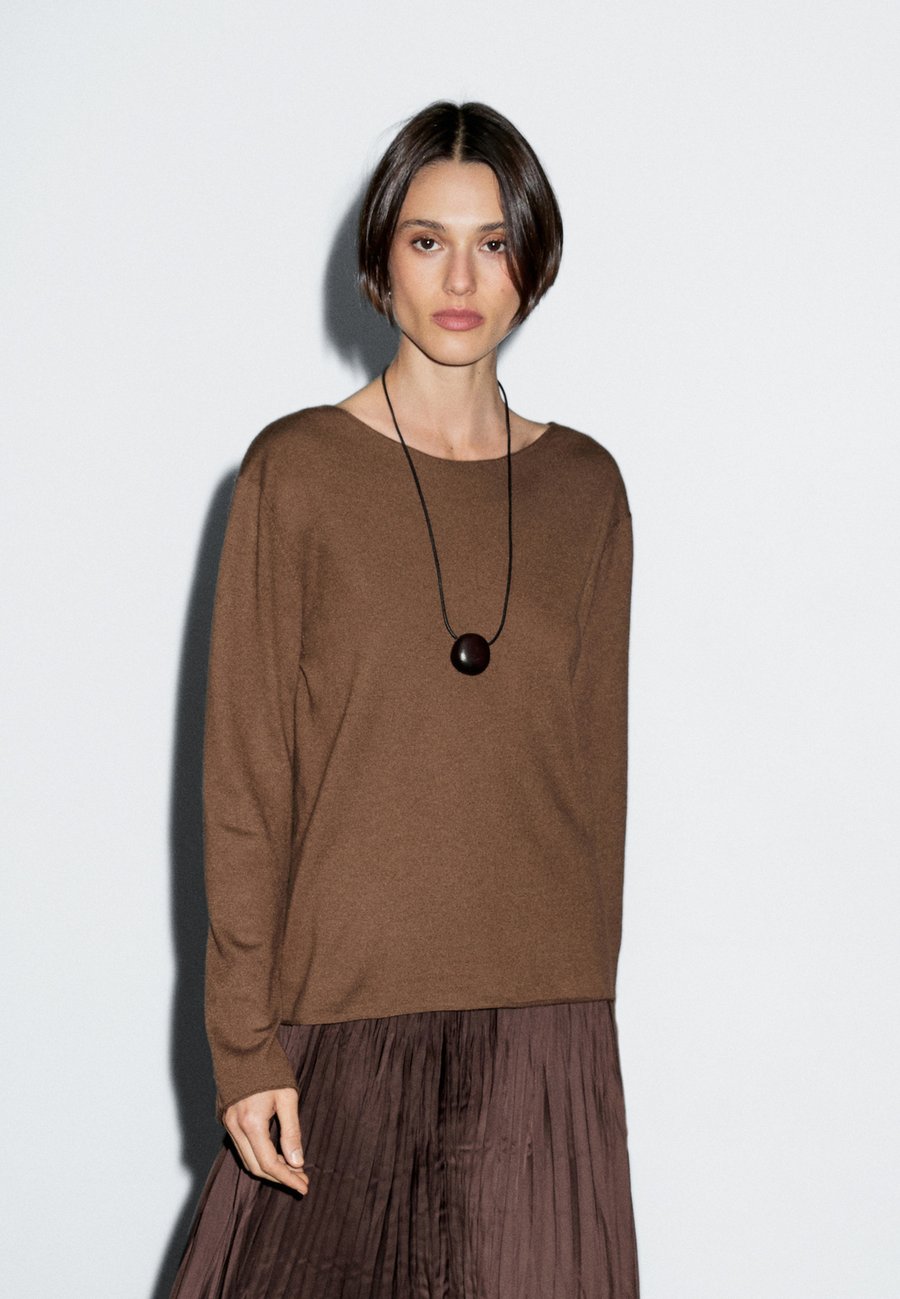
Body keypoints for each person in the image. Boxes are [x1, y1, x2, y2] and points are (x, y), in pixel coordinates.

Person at [170, 99, 640, 1298]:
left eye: (494, 242)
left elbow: (597, 781)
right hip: (339, 1017)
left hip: (542, 1028)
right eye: (429, 241)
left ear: (533, 261)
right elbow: (245, 782)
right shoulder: (297, 473)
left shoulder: (587, 488)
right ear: (382, 257)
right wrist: (243, 1046)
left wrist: (584, 1023)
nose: (461, 279)